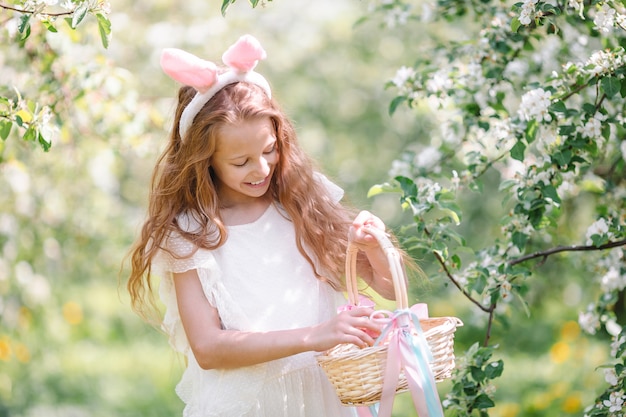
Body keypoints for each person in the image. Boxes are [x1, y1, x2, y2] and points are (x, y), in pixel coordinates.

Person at [126, 34, 403, 417]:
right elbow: (208, 348)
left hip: (323, 395)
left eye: (269, 150)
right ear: (205, 160)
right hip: (249, 404)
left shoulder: (302, 201)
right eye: (240, 162)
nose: (261, 169)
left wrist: (372, 246)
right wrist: (313, 336)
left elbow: (389, 287)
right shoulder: (192, 234)